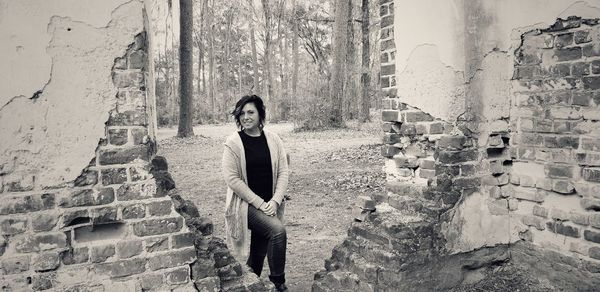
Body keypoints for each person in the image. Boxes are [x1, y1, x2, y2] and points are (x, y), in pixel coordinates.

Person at [222, 95, 289, 291]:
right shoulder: (233, 142)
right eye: (241, 113)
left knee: (259, 249)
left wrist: (275, 201)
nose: (246, 117)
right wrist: (260, 204)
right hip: (245, 206)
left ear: (260, 114)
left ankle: (251, 283)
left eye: (251, 112)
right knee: (277, 231)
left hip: (270, 204)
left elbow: (283, 171)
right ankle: (278, 283)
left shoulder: (273, 139)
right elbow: (232, 179)